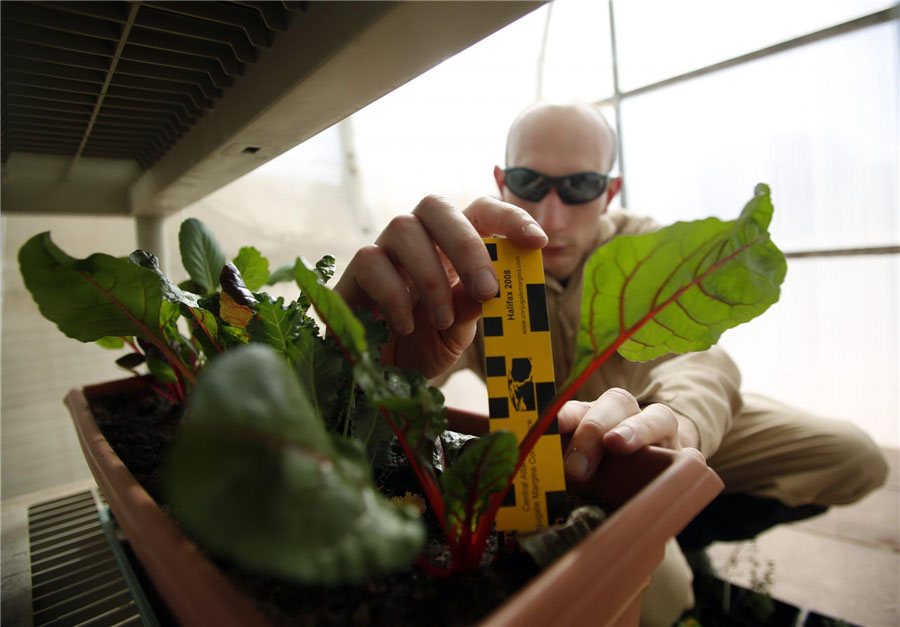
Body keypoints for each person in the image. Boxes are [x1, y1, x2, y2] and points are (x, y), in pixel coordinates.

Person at [335, 101, 889, 626]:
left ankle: (686, 527)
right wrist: (370, 359)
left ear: (610, 189)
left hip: (653, 422)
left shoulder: (639, 243)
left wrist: (682, 423)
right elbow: (406, 381)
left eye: (580, 187)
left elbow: (700, 359)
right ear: (503, 181)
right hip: (555, 450)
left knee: (852, 458)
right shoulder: (473, 266)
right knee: (661, 595)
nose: (552, 214)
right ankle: (672, 541)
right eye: (529, 183)